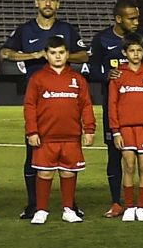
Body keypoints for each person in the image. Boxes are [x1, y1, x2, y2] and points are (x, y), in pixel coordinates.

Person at [0, 0, 89, 219]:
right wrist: (34, 55)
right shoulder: (25, 30)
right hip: (38, 95)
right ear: (36, 3)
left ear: (58, 4)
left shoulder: (67, 30)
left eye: (52, 0)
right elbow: (5, 53)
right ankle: (35, 205)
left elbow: (84, 55)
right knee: (34, 155)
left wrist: (63, 55)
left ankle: (70, 205)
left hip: (65, 93)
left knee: (68, 159)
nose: (48, 3)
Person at [89, 0, 143, 219]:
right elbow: (92, 68)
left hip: (141, 110)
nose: (136, 22)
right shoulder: (102, 39)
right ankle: (117, 202)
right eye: (132, 18)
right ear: (119, 19)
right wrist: (105, 75)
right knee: (115, 156)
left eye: (138, 17)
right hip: (116, 107)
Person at [23, 37, 96, 225]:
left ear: (67, 54)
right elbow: (30, 106)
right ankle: (41, 210)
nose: (58, 56)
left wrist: (89, 129)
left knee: (68, 172)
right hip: (46, 137)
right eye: (53, 53)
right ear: (46, 55)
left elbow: (86, 106)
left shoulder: (77, 79)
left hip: (71, 137)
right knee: (45, 173)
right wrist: (32, 131)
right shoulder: (37, 78)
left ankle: (68, 209)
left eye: (61, 52)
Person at [106, 33, 143, 221]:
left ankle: (142, 206)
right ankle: (129, 206)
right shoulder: (118, 75)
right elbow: (112, 105)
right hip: (125, 129)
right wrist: (115, 131)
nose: (136, 54)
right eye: (132, 50)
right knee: (129, 166)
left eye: (139, 50)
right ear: (125, 52)